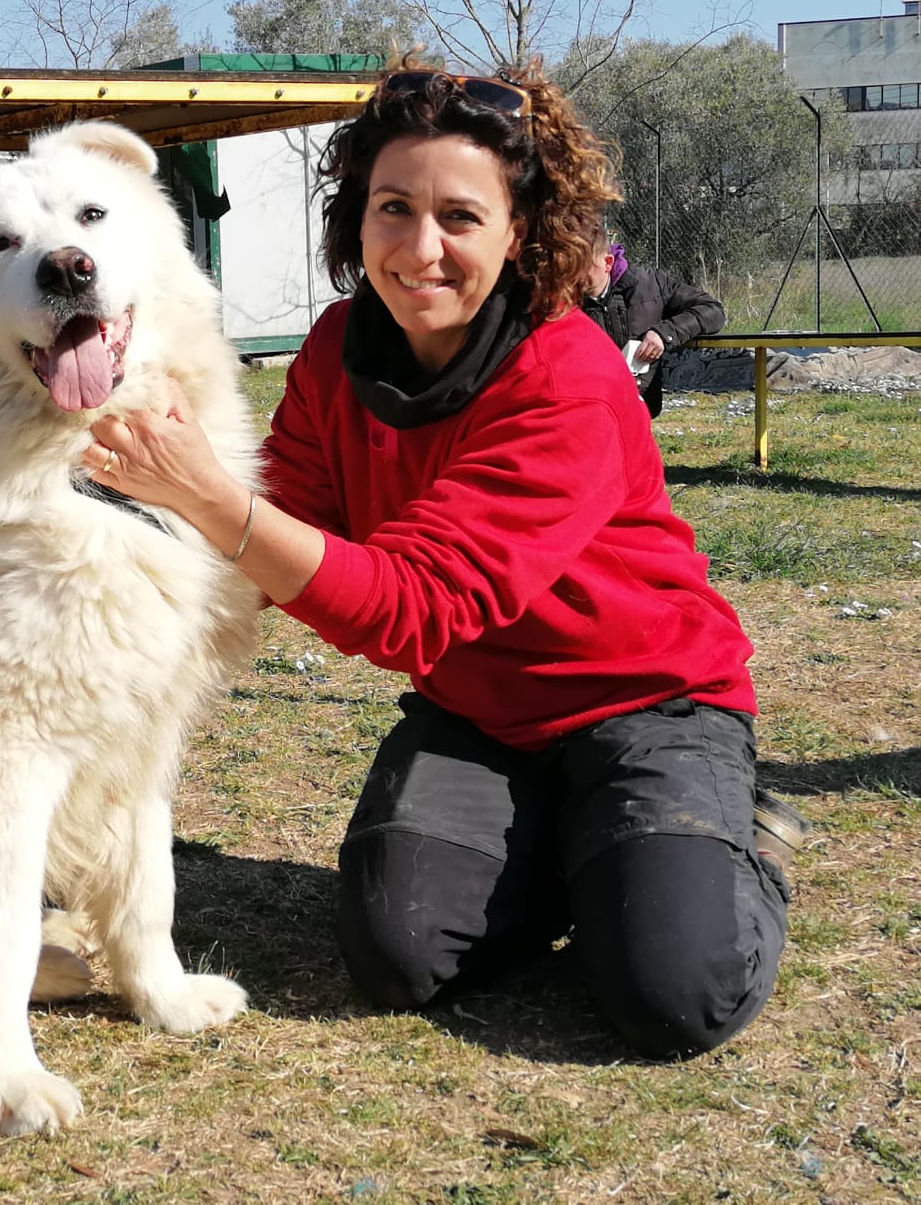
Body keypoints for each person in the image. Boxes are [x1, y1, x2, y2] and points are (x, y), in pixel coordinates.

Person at [77, 65, 810, 1060]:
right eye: (393, 208)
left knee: (678, 991)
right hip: (483, 715)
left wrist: (206, 493)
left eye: (460, 216)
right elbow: (279, 518)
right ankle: (578, 844)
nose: (421, 249)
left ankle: (722, 840)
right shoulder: (338, 346)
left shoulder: (571, 374)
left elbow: (407, 608)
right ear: (357, 220)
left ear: (519, 232)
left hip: (648, 705)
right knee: (397, 955)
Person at [582, 235, 726, 417]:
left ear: (608, 263)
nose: (571, 274)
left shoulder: (651, 285)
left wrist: (665, 333)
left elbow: (712, 310)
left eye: (582, 264)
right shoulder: (559, 300)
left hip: (640, 410)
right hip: (586, 415)